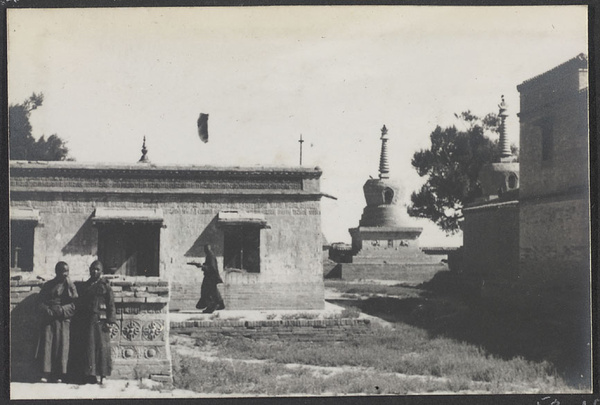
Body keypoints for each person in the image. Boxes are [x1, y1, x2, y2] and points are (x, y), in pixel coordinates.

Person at [36, 261, 78, 383]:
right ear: (57, 272)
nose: (65, 274)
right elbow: (40, 302)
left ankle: (60, 374)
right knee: (47, 344)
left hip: (63, 318)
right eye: (63, 271)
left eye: (67, 271)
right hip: (49, 318)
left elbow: (75, 303)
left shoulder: (70, 286)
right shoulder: (48, 285)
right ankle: (46, 373)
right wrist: (47, 310)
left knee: (62, 345)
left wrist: (62, 310)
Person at [76, 260, 116, 384]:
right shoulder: (85, 286)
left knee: (102, 348)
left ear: (102, 272)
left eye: (97, 269)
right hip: (88, 322)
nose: (95, 271)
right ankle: (90, 375)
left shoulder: (106, 286)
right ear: (89, 270)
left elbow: (111, 305)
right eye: (93, 269)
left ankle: (103, 376)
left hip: (101, 322)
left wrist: (110, 320)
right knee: (89, 348)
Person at [194, 244, 225, 313]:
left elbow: (212, 267)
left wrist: (202, 266)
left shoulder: (210, 256)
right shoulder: (209, 255)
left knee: (206, 292)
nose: (205, 251)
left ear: (208, 249)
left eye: (206, 249)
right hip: (211, 277)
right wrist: (201, 265)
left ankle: (211, 306)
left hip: (211, 277)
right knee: (213, 291)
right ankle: (220, 304)